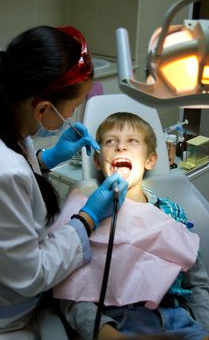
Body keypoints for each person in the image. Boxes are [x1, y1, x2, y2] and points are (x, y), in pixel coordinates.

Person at [0, 26, 128, 337]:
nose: (73, 114)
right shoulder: (8, 173)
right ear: (43, 108)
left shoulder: (14, 132)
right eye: (73, 106)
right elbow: (32, 274)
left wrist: (46, 160)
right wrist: (87, 218)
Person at [52, 112, 209, 340]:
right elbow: (72, 290)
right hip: (115, 323)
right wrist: (104, 330)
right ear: (97, 160)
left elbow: (197, 281)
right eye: (111, 142)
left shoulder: (169, 213)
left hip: (176, 319)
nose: (121, 147)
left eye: (132, 141)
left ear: (150, 160)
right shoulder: (84, 216)